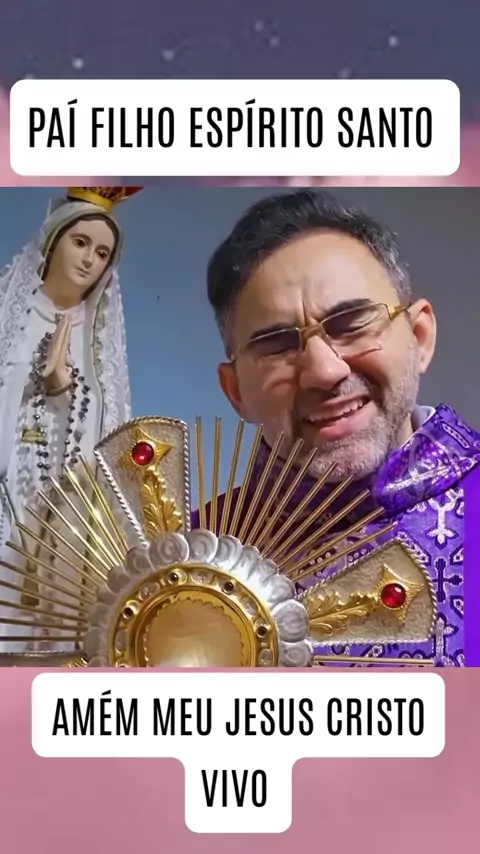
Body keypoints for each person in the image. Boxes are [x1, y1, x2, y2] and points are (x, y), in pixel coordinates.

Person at [197, 189, 480, 667]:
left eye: (351, 323)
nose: (324, 371)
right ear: (236, 391)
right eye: (277, 345)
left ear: (419, 337)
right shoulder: (193, 562)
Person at [0, 186, 139, 654]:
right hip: (8, 490)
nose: (88, 260)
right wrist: (27, 381)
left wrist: (66, 388)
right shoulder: (11, 313)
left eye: (101, 253)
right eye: (80, 243)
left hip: (64, 510)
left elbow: (104, 428)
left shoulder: (95, 335)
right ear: (53, 240)